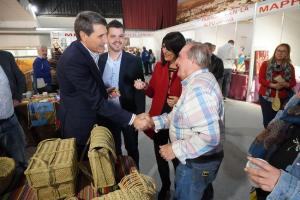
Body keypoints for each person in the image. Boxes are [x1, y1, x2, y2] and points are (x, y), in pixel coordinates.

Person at [139, 42, 224, 200]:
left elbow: (210, 137)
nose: (176, 62)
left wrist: (175, 149)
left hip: (196, 163)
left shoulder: (198, 90)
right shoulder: (196, 82)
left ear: (193, 61)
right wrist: (153, 122)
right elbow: (178, 115)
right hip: (198, 160)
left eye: (180, 57)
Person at [56, 11, 149, 155]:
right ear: (83, 35)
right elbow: (97, 102)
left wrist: (104, 91)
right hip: (81, 128)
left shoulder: (85, 53)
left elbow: (86, 89)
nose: (106, 41)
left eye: (106, 35)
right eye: (101, 36)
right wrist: (133, 119)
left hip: (99, 118)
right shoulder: (75, 60)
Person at [134, 31, 185, 199]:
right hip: (158, 117)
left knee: (178, 155)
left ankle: (180, 186)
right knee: (160, 154)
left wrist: (179, 100)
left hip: (179, 118)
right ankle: (166, 186)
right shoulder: (159, 66)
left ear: (178, 48)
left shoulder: (187, 67)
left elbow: (194, 95)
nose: (164, 50)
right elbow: (152, 92)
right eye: (163, 46)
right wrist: (144, 87)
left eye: (168, 47)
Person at [98, 20, 145, 168]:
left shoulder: (134, 61)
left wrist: (141, 114)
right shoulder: (99, 60)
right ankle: (119, 182)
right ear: (106, 37)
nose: (118, 40)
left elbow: (140, 90)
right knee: (113, 150)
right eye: (113, 36)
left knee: (132, 149)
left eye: (121, 36)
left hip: (128, 114)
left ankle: (136, 182)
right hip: (107, 115)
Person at [0, 50, 27, 190]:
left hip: (10, 118)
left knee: (20, 160)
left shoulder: (5, 56)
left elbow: (20, 78)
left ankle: (21, 189)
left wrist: (17, 97)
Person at [258, 43, 296, 128]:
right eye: (278, 50)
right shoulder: (266, 64)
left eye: (283, 51)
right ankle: (266, 139)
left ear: (287, 54)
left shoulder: (290, 67)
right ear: (275, 51)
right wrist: (272, 85)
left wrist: (286, 84)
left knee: (277, 121)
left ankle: (272, 139)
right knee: (267, 121)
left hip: (282, 98)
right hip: (266, 97)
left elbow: (293, 82)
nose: (280, 53)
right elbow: (261, 79)